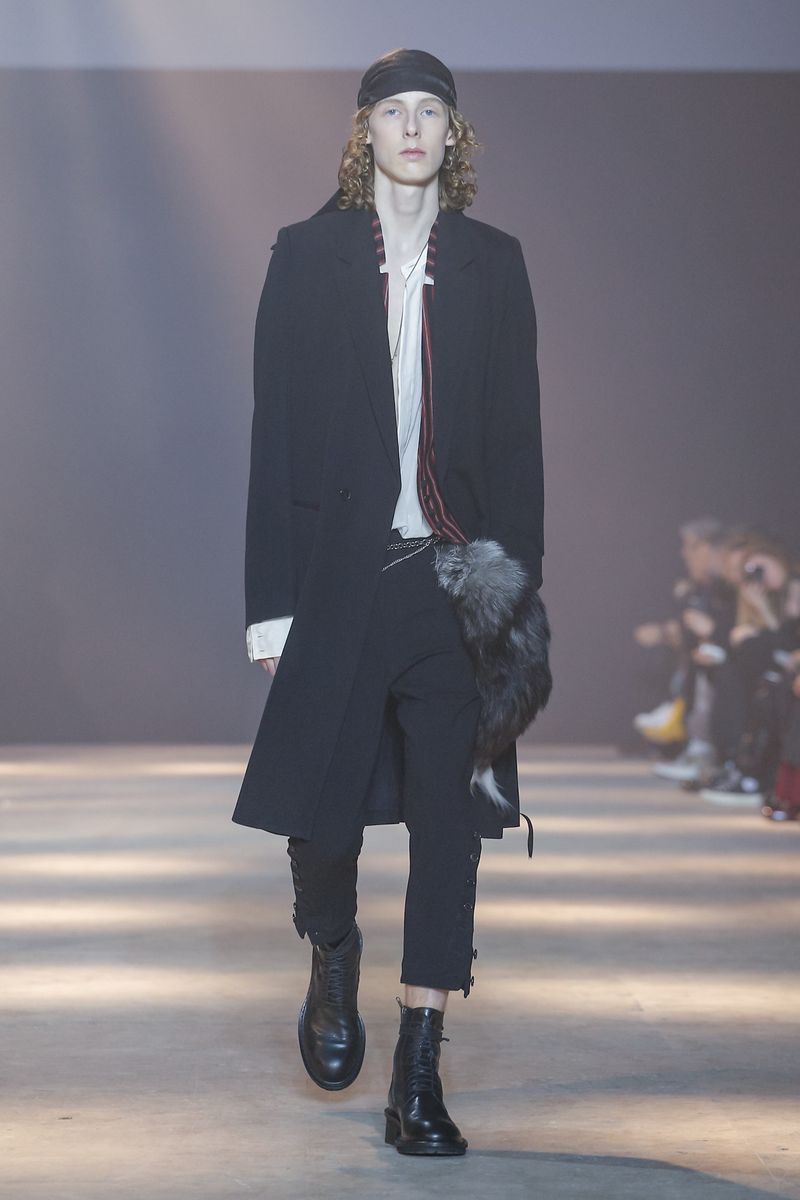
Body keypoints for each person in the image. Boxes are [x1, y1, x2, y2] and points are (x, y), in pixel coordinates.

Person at [232, 47, 546, 1156]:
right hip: (336, 582)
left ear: (453, 135)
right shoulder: (307, 255)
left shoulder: (492, 263)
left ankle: (418, 1076)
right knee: (320, 822)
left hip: (450, 584)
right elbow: (274, 436)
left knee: (447, 829)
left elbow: (516, 445)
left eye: (431, 112)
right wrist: (270, 603)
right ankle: (331, 945)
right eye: (393, 111)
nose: (412, 128)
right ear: (363, 130)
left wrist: (514, 601)